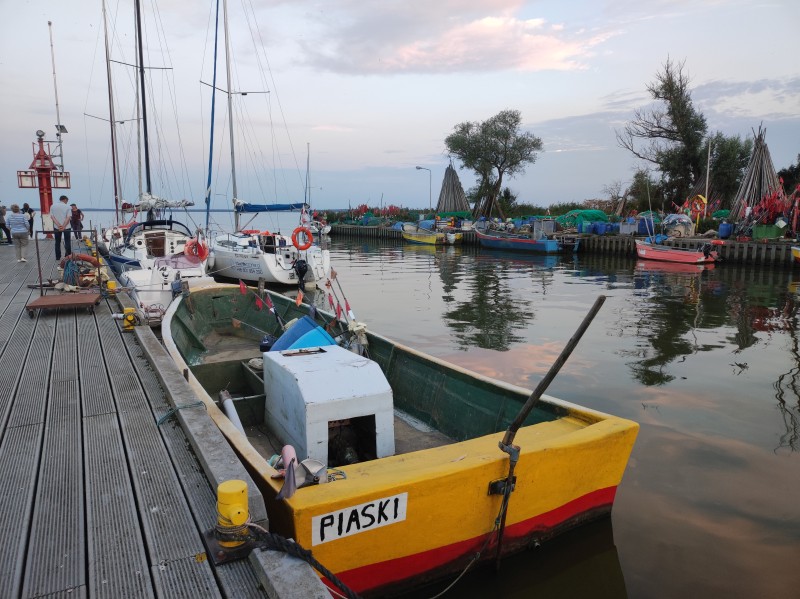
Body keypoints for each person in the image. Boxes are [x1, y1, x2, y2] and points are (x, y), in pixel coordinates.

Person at [50, 194, 72, 260]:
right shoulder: (68, 207)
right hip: (67, 227)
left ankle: (58, 257)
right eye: (67, 201)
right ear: (65, 199)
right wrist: (63, 226)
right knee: (67, 241)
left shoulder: (52, 206)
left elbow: (52, 217)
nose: (67, 202)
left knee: (57, 242)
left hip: (56, 227)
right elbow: (68, 217)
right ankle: (67, 256)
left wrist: (59, 225)